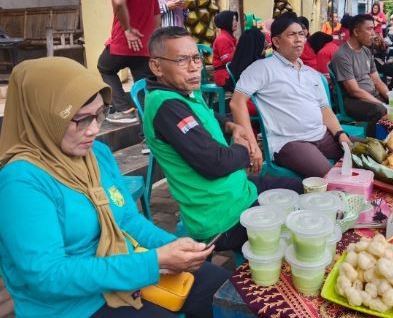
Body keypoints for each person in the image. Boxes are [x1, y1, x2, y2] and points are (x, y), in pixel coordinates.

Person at [0, 57, 230, 318]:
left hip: (127, 270)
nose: (95, 129)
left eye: (100, 114)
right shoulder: (21, 182)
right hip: (75, 306)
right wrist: (153, 262)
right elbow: (48, 276)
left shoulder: (96, 154)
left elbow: (128, 219)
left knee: (223, 288)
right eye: (81, 119)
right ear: (43, 117)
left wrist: (175, 247)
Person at [143, 27, 302, 251]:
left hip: (239, 191)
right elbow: (216, 162)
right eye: (181, 60)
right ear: (157, 66)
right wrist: (246, 148)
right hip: (222, 218)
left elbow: (208, 115)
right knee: (294, 225)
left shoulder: (184, 92)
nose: (194, 68)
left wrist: (231, 125)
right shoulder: (166, 106)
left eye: (196, 58)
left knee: (296, 187)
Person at [230, 13, 351, 178]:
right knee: (331, 178)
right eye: (291, 34)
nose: (299, 39)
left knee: (367, 155)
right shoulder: (262, 68)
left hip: (323, 136)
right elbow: (237, 103)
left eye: (301, 34)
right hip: (290, 142)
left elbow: (325, 110)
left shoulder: (312, 74)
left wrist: (340, 134)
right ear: (276, 42)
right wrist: (253, 145)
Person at [98, 0, 160, 124]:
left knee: (105, 67)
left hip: (123, 44)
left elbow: (118, 2)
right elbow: (157, 21)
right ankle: (146, 139)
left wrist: (127, 30)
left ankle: (124, 108)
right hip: (144, 49)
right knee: (142, 89)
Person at [331, 14, 389, 137]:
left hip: (371, 96)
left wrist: (392, 98)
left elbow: (377, 81)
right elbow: (354, 91)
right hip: (352, 101)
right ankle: (372, 143)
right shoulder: (342, 55)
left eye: (373, 29)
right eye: (369, 29)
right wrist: (381, 104)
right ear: (356, 32)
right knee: (379, 110)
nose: (373, 33)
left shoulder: (366, 51)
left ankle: (391, 141)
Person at [227, 28, 267, 114]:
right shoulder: (257, 65)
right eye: (263, 44)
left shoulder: (237, 60)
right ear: (257, 45)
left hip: (242, 101)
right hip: (255, 103)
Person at [212, 10, 238, 87]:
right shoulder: (223, 39)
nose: (236, 22)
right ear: (227, 21)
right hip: (224, 76)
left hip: (229, 73)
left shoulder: (229, 37)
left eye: (236, 19)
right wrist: (240, 50)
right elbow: (226, 60)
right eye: (233, 19)